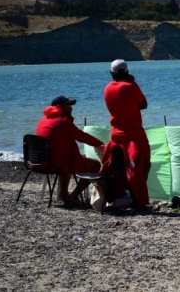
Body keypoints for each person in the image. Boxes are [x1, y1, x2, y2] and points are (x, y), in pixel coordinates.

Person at [35, 95, 104, 204]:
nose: (71, 108)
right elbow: (81, 137)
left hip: (39, 162)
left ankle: (64, 195)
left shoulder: (44, 120)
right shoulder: (62, 121)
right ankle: (73, 196)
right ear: (59, 106)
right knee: (95, 165)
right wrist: (101, 144)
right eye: (67, 105)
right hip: (54, 163)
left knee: (69, 161)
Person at [104, 59, 151, 211]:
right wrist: (132, 83)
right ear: (127, 71)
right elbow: (143, 104)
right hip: (134, 135)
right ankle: (138, 198)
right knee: (143, 164)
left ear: (112, 73)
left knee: (120, 166)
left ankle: (122, 194)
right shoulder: (131, 87)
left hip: (116, 136)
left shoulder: (107, 89)